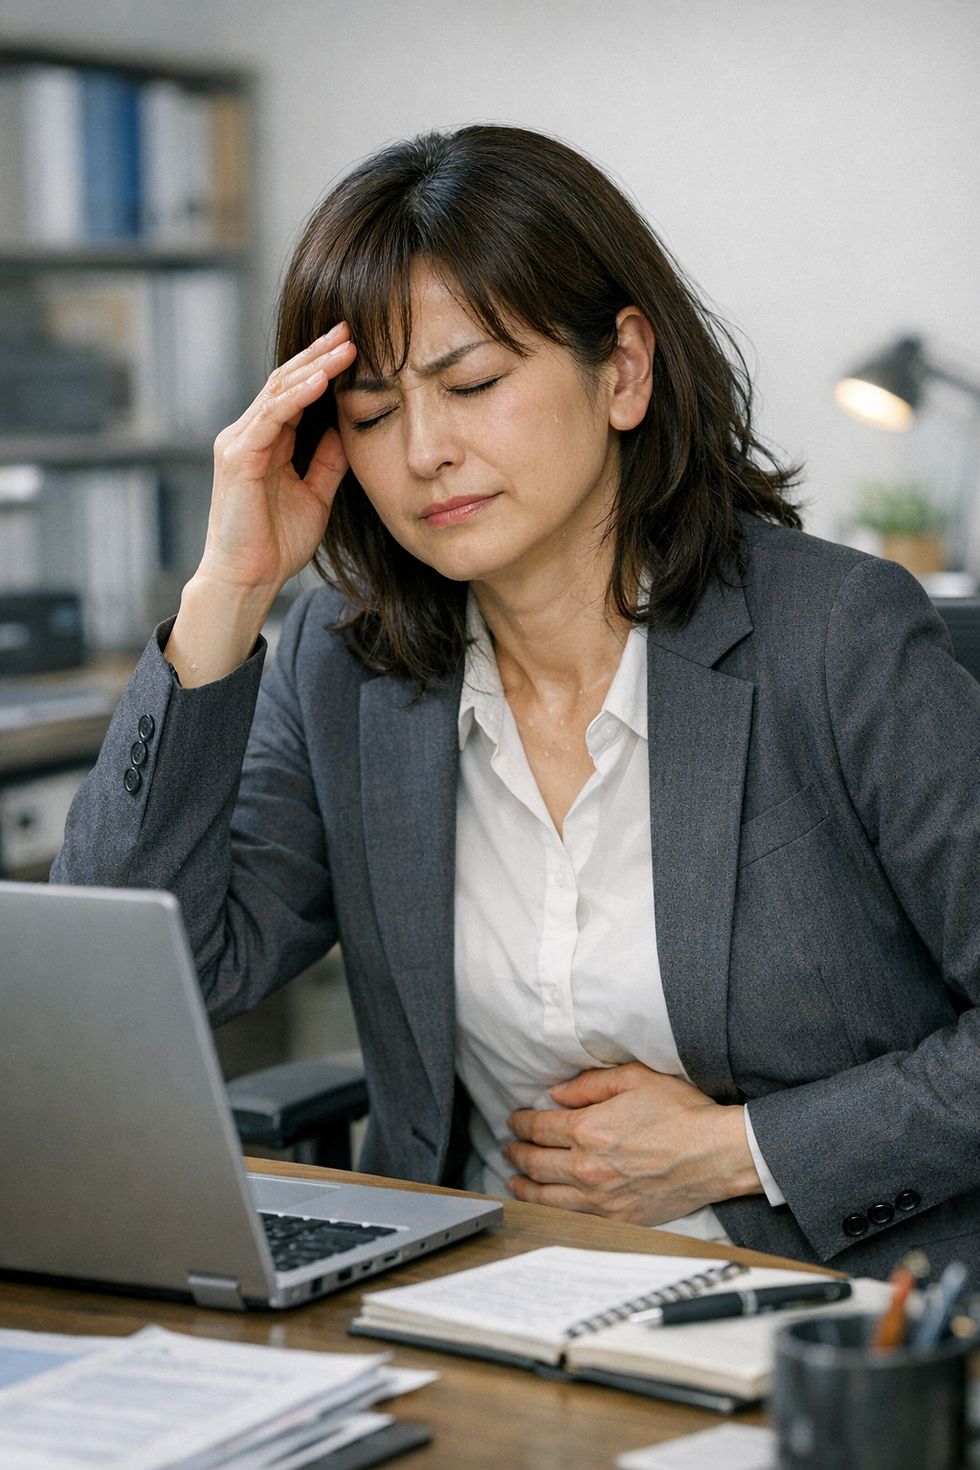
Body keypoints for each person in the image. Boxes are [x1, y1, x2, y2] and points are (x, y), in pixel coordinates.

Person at [53, 126, 980, 1279]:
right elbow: (136, 991)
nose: (426, 452)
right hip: (470, 1304)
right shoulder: (342, 671)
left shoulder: (835, 638)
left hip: (817, 1319)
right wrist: (227, 594)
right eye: (374, 413)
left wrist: (736, 1149)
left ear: (624, 370)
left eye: (473, 383)